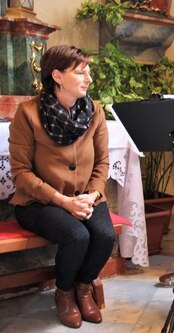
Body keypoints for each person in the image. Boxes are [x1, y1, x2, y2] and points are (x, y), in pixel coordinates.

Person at [8, 45, 115, 329]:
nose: (88, 79)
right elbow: (20, 174)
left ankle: (83, 287)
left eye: (88, 72)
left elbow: (103, 163)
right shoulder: (28, 113)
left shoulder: (95, 111)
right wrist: (62, 201)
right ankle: (64, 292)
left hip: (86, 197)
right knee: (77, 236)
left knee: (104, 236)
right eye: (80, 72)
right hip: (38, 201)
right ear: (57, 75)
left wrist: (91, 196)